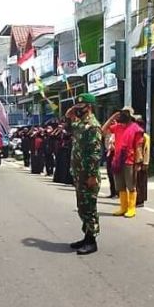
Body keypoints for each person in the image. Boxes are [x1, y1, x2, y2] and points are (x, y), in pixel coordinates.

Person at [64, 93, 102, 255]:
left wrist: (92, 175)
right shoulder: (81, 124)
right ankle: (86, 237)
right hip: (80, 172)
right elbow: (68, 129)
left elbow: (95, 153)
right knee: (82, 207)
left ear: (89, 107)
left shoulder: (92, 126)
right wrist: (68, 116)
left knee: (89, 207)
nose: (78, 111)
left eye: (81, 107)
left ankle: (92, 241)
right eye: (77, 107)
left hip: (88, 174)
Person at [102, 107, 144, 218]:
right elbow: (103, 130)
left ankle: (131, 208)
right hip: (117, 159)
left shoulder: (136, 129)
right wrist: (112, 117)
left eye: (124, 113)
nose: (122, 115)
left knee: (131, 185)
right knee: (120, 186)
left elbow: (138, 146)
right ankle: (123, 207)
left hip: (129, 160)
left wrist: (138, 163)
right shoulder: (118, 127)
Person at [136, 118, 150, 207]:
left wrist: (145, 162)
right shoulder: (136, 135)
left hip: (142, 162)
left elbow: (146, 150)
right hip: (135, 161)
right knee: (136, 181)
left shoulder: (145, 136)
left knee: (141, 181)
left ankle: (141, 200)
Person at [104, 133, 117, 198]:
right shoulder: (109, 134)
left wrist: (113, 146)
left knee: (114, 175)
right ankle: (113, 192)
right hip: (109, 154)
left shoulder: (117, 134)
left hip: (115, 154)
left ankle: (116, 193)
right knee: (110, 174)